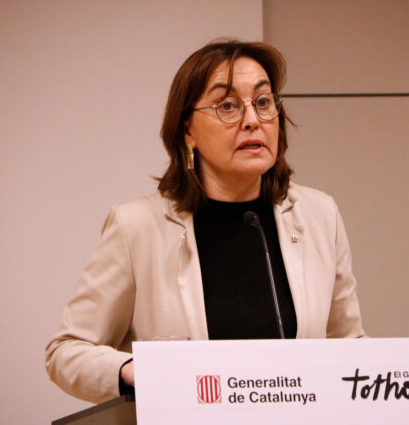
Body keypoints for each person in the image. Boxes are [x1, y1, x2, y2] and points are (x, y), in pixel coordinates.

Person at [45, 39, 366, 404]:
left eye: (263, 102)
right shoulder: (137, 228)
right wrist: (133, 370)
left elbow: (350, 347)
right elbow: (65, 352)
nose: (252, 120)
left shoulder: (319, 215)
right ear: (188, 131)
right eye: (227, 105)